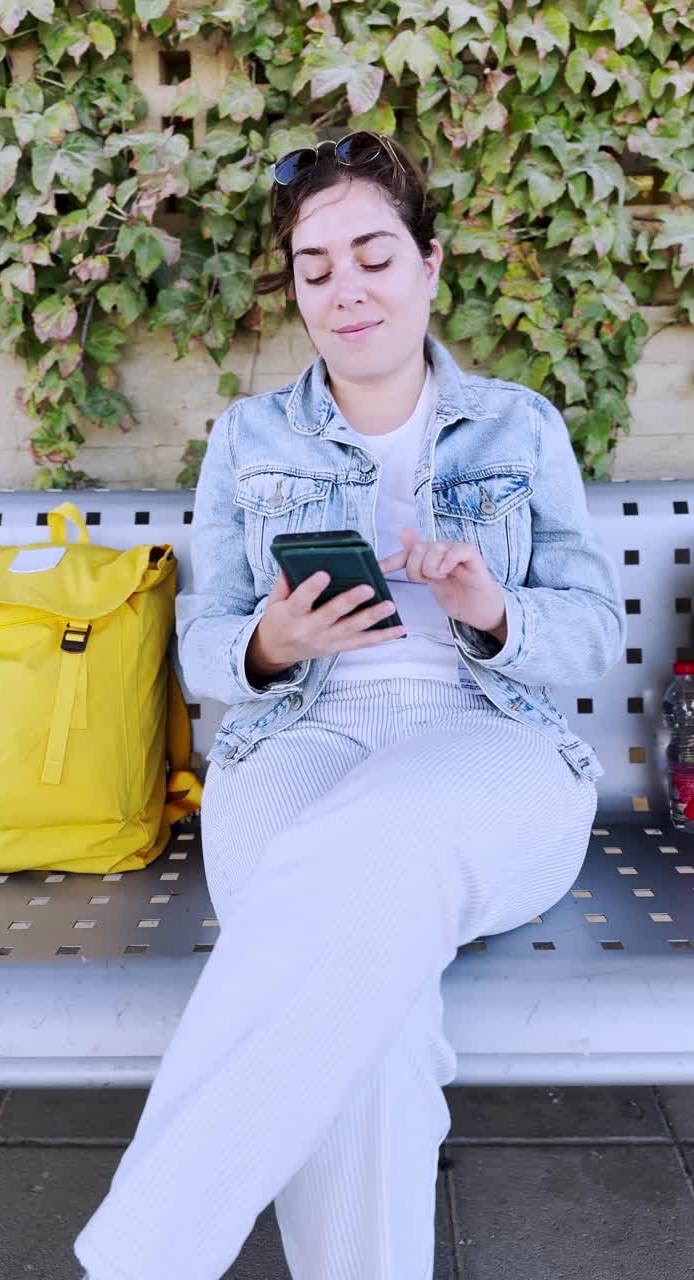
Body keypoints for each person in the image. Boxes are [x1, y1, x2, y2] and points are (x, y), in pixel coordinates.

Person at [74, 131, 626, 1280]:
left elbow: (590, 628)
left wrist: (491, 608)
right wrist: (272, 644)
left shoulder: (519, 425)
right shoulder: (249, 436)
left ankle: (146, 1248)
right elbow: (204, 649)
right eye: (316, 269)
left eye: (373, 255)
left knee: (371, 850)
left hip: (488, 744)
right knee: (365, 1005)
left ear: (430, 264)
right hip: (300, 737)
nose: (346, 289)